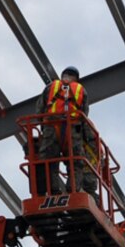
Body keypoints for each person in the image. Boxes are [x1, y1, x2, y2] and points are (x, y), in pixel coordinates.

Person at [33, 65, 90, 198]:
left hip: (51, 127)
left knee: (49, 159)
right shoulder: (81, 90)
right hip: (72, 130)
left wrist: (43, 126)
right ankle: (73, 189)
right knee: (76, 161)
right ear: (76, 78)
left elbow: (39, 108)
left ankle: (53, 189)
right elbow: (84, 114)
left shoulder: (51, 87)